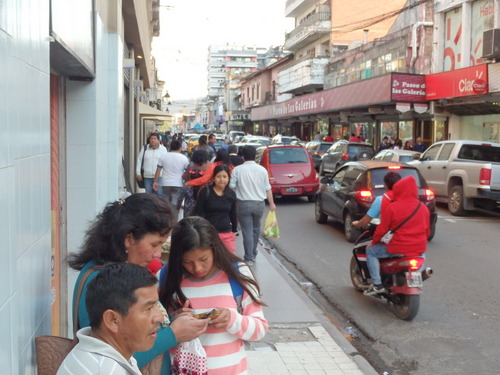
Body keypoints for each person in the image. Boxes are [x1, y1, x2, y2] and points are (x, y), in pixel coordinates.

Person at [67, 193, 208, 374]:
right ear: (128, 239)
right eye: (154, 244)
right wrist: (173, 334)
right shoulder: (101, 280)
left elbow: (129, 328)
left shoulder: (116, 272)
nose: (158, 254)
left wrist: (170, 321)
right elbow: (111, 351)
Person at [158, 216, 268, 375]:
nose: (197, 268)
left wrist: (232, 319)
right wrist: (174, 321)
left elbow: (260, 329)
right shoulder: (165, 278)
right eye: (187, 262)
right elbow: (152, 333)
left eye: (203, 259)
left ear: (214, 249)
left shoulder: (237, 274)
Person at [58, 263, 163, 374]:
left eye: (157, 306)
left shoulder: (94, 355)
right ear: (113, 320)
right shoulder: (105, 370)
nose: (160, 317)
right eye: (149, 308)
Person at [364, 176, 430, 295]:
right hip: (418, 248)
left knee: (371, 252)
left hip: (397, 247)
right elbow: (427, 231)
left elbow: (382, 229)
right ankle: (420, 273)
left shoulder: (393, 207)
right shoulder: (423, 207)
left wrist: (373, 242)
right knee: (422, 254)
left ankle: (377, 284)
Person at [229, 145, 276, 266]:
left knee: (247, 231)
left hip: (243, 204)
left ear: (243, 156)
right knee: (255, 230)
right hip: (259, 204)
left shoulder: (237, 170)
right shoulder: (262, 170)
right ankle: (253, 254)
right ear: (255, 156)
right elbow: (268, 189)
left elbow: (231, 187)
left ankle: (249, 257)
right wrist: (272, 204)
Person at [194, 164, 238, 253]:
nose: (222, 180)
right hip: (208, 234)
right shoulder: (206, 191)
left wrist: (234, 230)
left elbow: (233, 214)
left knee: (229, 260)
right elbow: (197, 212)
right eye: (219, 176)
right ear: (214, 177)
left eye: (225, 177)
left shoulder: (231, 194)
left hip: (226, 233)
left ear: (228, 178)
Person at [153, 139, 190, 215]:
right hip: (178, 183)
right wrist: (186, 182)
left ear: (170, 147)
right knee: (175, 204)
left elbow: (158, 170)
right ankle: (174, 221)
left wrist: (155, 181)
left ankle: (167, 220)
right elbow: (188, 172)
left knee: (166, 204)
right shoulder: (184, 158)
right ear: (180, 148)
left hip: (165, 183)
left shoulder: (163, 156)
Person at [136, 133, 168, 197]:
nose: (153, 140)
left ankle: (158, 207)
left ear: (158, 140)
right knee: (149, 195)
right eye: (151, 139)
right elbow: (139, 160)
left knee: (159, 195)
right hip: (147, 177)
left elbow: (166, 162)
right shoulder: (145, 148)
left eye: (154, 139)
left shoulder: (163, 149)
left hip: (160, 177)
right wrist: (138, 173)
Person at [181, 150, 211, 217]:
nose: (195, 167)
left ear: (203, 162)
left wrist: (189, 183)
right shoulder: (193, 167)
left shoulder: (211, 171)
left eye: (196, 164)